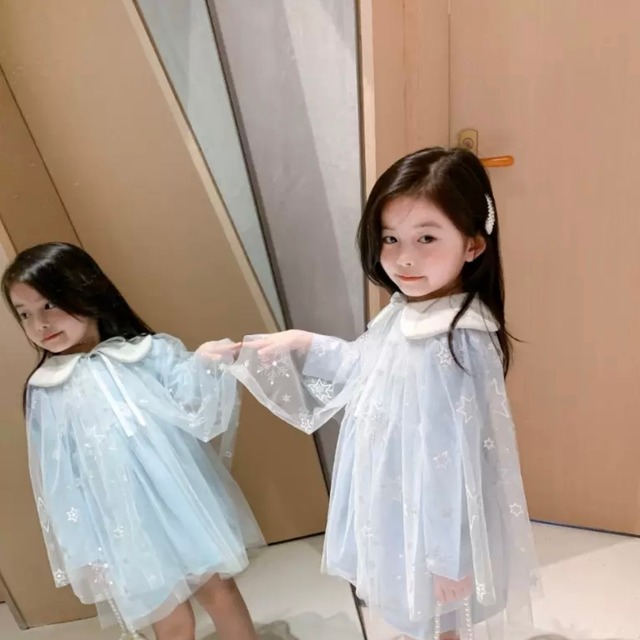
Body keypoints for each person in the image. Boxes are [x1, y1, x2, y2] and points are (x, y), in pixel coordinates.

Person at [230, 147, 539, 639]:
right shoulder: (407, 312)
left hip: (434, 517)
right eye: (390, 237)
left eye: (427, 238)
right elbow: (364, 365)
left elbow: (448, 457)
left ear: (473, 245)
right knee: (423, 616)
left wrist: (446, 556)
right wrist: (304, 343)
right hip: (400, 496)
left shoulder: (452, 337)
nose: (403, 257)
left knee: (439, 617)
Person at [2, 242, 262, 640]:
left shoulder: (146, 353)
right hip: (122, 523)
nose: (39, 324)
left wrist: (205, 362)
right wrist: (81, 545)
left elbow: (190, 401)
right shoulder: (47, 389)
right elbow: (57, 478)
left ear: (86, 290)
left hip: (183, 504)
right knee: (169, 618)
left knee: (219, 592)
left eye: (49, 305)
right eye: (24, 313)